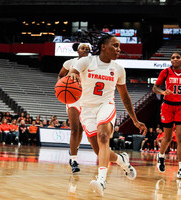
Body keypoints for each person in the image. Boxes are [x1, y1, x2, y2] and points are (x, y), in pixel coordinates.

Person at [68, 34, 146, 196]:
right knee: (99, 151)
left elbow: (125, 97)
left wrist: (135, 120)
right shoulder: (87, 61)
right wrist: (73, 75)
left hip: (106, 105)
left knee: (103, 137)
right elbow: (72, 73)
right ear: (103, 46)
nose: (119, 49)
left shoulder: (118, 69)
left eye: (119, 46)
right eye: (115, 45)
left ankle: (102, 180)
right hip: (86, 108)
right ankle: (121, 161)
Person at [153, 52, 181, 179]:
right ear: (171, 60)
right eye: (173, 57)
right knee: (167, 138)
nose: (175, 59)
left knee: (180, 138)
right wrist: (163, 91)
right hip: (167, 106)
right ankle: (161, 156)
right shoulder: (166, 72)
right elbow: (155, 88)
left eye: (177, 57)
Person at [57, 42, 90, 173]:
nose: (86, 50)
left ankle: (74, 149)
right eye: (83, 48)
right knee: (74, 128)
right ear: (77, 50)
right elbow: (60, 75)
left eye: (88, 49)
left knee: (81, 130)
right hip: (72, 98)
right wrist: (61, 84)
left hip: (86, 98)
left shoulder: (91, 64)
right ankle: (73, 159)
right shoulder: (69, 63)